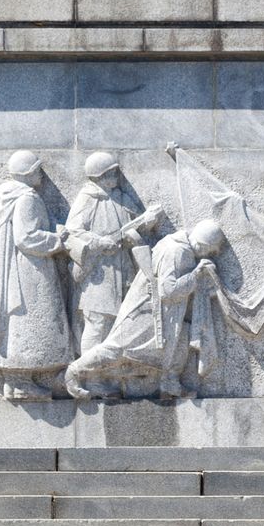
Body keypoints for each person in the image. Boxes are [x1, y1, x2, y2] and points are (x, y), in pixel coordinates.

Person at [66, 219, 228, 400]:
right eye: (211, 249)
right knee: (116, 348)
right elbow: (168, 290)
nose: (212, 254)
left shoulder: (175, 244)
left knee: (181, 338)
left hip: (162, 313)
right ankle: (73, 373)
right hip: (147, 312)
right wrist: (197, 274)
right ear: (201, 243)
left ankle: (170, 384)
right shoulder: (178, 251)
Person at [0, 150, 72, 400]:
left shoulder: (2, 196)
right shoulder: (28, 197)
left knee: (17, 324)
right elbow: (27, 237)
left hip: (13, 270)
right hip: (28, 271)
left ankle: (18, 381)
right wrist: (58, 240)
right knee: (28, 322)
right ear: (27, 173)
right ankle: (20, 383)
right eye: (37, 170)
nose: (41, 175)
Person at [63, 151, 162, 398]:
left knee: (117, 326)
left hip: (123, 268)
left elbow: (131, 228)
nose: (116, 176)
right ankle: (89, 378)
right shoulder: (88, 198)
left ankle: (109, 375)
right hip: (98, 272)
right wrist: (98, 242)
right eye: (110, 173)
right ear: (99, 176)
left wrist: (147, 221)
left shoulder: (121, 197)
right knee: (98, 323)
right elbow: (72, 232)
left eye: (116, 171)